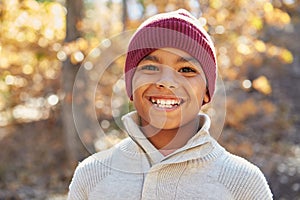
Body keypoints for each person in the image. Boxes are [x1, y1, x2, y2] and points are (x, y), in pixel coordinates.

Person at [68, 9, 273, 200]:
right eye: (150, 67)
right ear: (130, 84)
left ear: (206, 92)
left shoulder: (243, 184)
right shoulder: (91, 176)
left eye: (186, 70)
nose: (166, 81)